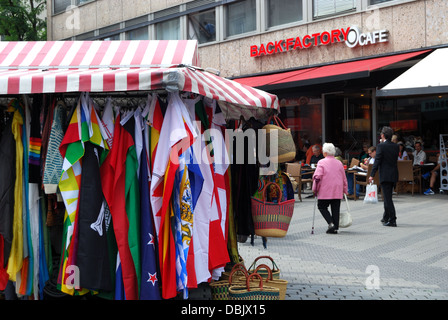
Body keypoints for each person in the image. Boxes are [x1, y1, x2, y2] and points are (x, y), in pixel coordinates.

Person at [312, 143, 348, 234]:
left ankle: (331, 223)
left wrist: (315, 189)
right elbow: (344, 177)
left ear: (324, 153)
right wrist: (345, 189)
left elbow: (317, 177)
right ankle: (335, 227)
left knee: (322, 206)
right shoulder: (339, 163)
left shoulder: (321, 162)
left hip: (325, 190)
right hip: (337, 189)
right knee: (336, 208)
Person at [369, 126, 399, 227]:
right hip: (393, 174)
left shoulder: (381, 146)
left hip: (385, 175)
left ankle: (393, 219)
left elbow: (377, 161)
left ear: (382, 135)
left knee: (387, 198)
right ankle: (385, 217)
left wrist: (372, 175)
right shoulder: (396, 146)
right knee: (387, 196)